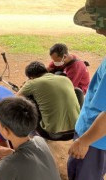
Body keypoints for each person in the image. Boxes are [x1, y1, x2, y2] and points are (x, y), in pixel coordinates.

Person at [0, 97, 61, 180]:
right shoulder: (40, 140)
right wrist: (10, 151)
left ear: (6, 131)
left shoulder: (11, 164)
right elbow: (29, 158)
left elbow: (18, 162)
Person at [67, 2, 106, 180]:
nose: (97, 31)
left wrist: (84, 141)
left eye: (99, 24)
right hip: (93, 136)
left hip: (94, 141)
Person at [17, 61, 80, 140]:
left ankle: (33, 134)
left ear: (31, 77)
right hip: (77, 130)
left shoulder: (32, 83)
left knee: (27, 99)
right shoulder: (65, 79)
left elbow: (17, 98)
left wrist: (27, 85)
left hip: (51, 134)